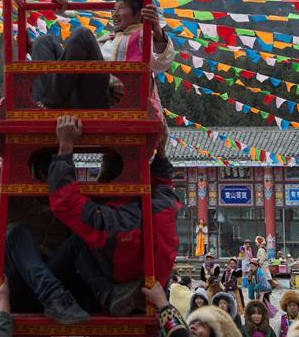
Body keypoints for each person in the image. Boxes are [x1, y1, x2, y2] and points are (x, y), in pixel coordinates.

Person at [15, 114, 178, 322]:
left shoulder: (111, 221)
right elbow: (164, 182)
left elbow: (64, 201)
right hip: (152, 286)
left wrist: (65, 148)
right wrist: (161, 153)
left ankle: (104, 293)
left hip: (104, 283)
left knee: (65, 240)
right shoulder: (165, 205)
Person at [28, 0, 173, 118]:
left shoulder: (143, 35)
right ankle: (43, 103)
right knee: (43, 41)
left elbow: (161, 63)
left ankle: (49, 103)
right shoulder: (108, 38)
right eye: (114, 9)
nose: (114, 14)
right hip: (76, 90)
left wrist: (158, 32)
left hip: (106, 98)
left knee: (82, 34)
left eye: (121, 8)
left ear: (138, 14)